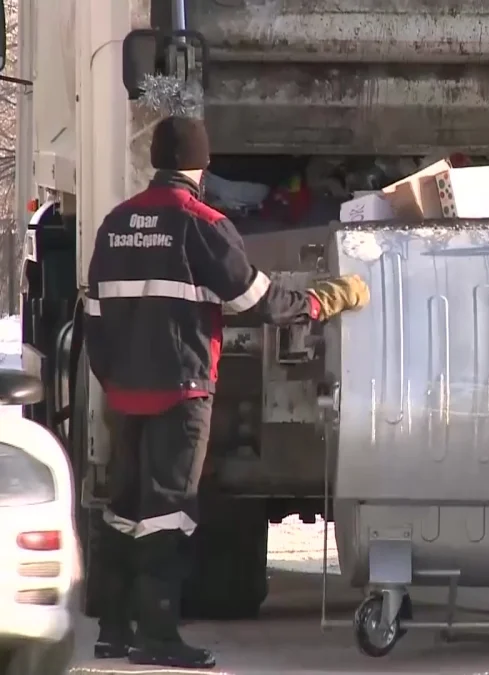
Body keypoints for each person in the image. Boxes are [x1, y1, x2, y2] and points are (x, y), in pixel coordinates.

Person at [83, 116, 370, 669]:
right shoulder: (201, 223)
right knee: (169, 511)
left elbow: (94, 312)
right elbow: (255, 301)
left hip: (125, 390)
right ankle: (159, 633)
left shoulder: (115, 224)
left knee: (124, 506)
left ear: (154, 161)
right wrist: (320, 300)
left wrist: (113, 376)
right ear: (202, 165)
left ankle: (113, 629)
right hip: (181, 389)